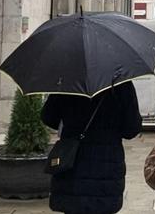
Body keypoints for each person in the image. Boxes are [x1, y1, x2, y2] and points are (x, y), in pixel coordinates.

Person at [41, 82, 142, 214]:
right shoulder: (121, 83)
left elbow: (48, 117)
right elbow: (131, 129)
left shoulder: (68, 80)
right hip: (106, 167)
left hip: (72, 165)